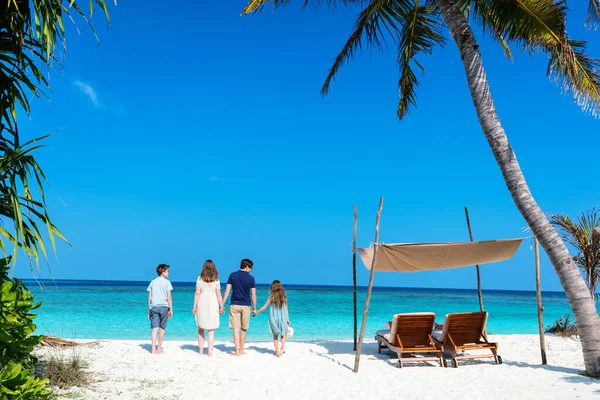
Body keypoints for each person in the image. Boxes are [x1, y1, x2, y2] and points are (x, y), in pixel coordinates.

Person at [222, 258, 256, 356]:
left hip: (234, 304)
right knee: (244, 329)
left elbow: (227, 291)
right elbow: (253, 294)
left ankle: (237, 350)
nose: (251, 269)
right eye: (250, 267)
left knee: (236, 329)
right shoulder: (251, 279)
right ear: (246, 267)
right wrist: (254, 307)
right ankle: (241, 349)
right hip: (246, 305)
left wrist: (222, 304)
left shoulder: (232, 275)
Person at [192, 260, 224, 356]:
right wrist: (221, 305)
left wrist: (194, 306)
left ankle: (201, 351)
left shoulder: (200, 279)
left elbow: (197, 293)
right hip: (213, 305)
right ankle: (210, 352)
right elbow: (218, 295)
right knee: (211, 330)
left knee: (200, 328)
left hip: (202, 304)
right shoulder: (216, 280)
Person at [253, 280, 290, 357]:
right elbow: (286, 309)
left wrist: (257, 312)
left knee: (275, 335)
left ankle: (277, 351)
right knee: (283, 334)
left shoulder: (271, 297)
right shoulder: (284, 297)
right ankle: (282, 348)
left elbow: (264, 307)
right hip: (283, 318)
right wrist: (287, 319)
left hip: (273, 318)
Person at [147, 264, 173, 354]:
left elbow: (150, 297)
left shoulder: (152, 282)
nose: (168, 272)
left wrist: (149, 309)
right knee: (162, 328)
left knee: (154, 329)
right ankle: (158, 348)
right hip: (164, 307)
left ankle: (153, 349)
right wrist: (171, 309)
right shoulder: (167, 282)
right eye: (167, 271)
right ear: (162, 272)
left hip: (154, 307)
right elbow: (169, 297)